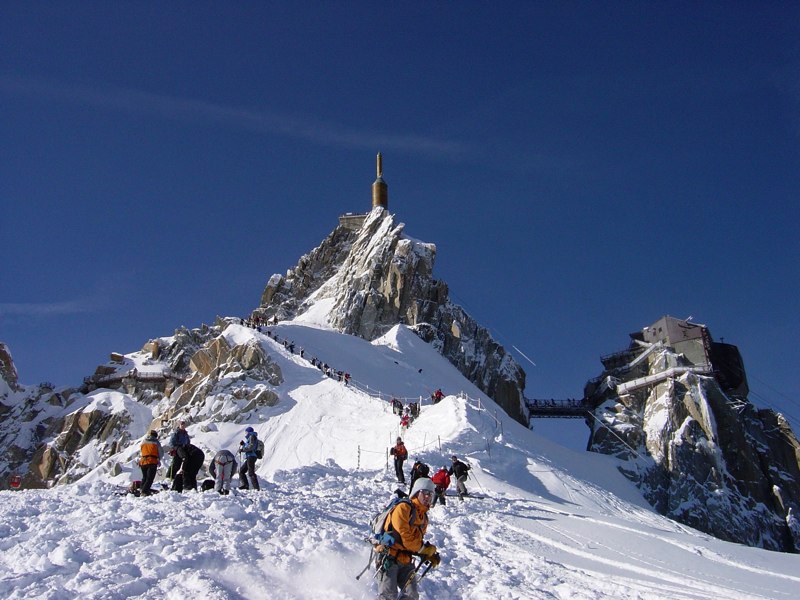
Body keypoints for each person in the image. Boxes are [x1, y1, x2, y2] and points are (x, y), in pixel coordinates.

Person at [375, 477, 439, 600]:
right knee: (389, 596)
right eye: (425, 493)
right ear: (416, 492)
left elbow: (415, 543)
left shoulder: (423, 517)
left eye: (431, 494)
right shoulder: (403, 508)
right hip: (389, 557)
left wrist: (428, 554)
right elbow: (405, 538)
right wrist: (424, 549)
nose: (428, 497)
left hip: (406, 560)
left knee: (412, 595)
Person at [138, 431, 163, 496]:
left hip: (143, 461)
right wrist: (158, 459)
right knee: (150, 478)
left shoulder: (143, 441)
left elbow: (141, 451)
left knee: (144, 477)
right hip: (152, 461)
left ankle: (141, 489)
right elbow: (161, 452)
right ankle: (144, 491)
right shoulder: (156, 442)